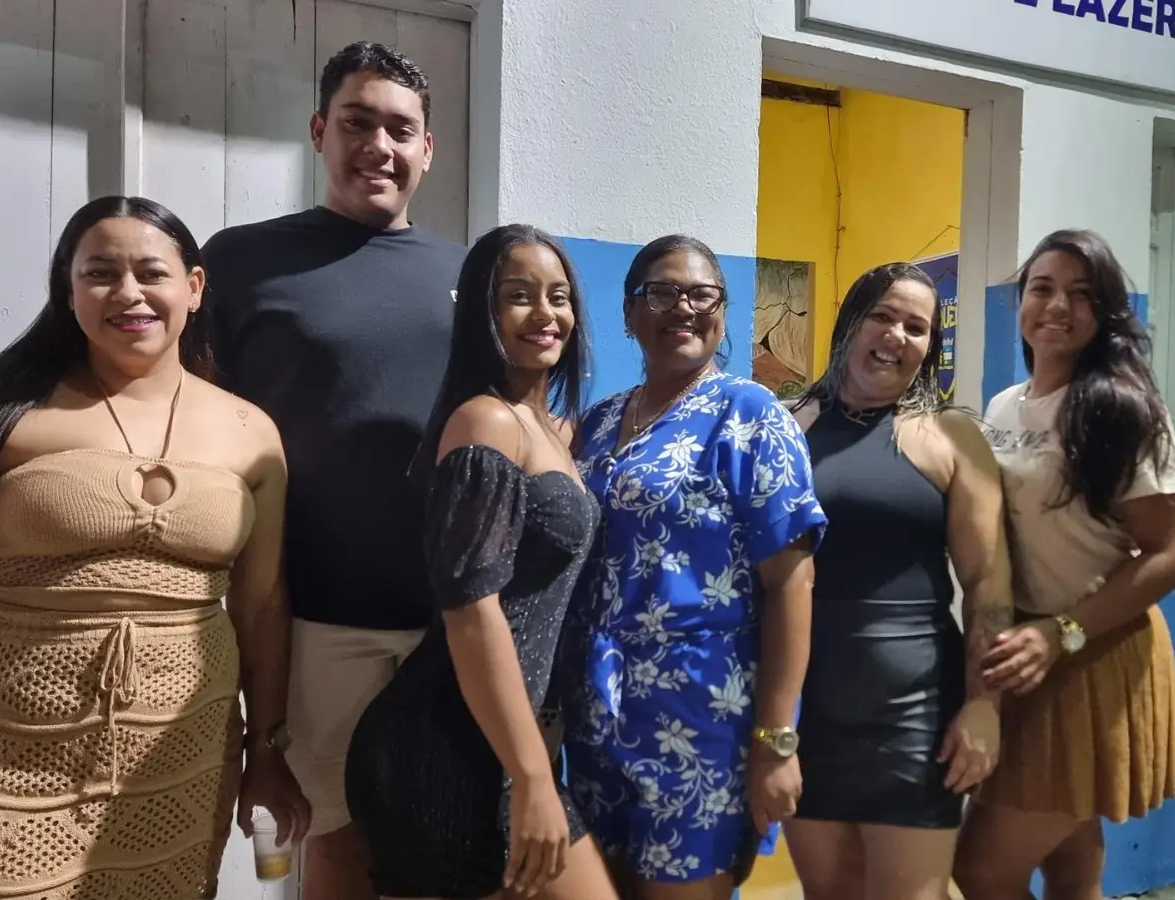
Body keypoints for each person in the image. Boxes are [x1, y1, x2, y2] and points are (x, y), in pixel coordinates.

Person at [0, 196, 310, 899]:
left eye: (151, 272)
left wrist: (266, 748)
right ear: (69, 288)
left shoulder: (250, 432)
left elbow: (262, 606)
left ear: (194, 287)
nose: (128, 293)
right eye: (101, 273)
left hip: (179, 754)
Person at [201, 40, 466, 899]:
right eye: (357, 122)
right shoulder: (239, 262)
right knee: (338, 844)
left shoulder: (469, 275)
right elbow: (195, 417)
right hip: (314, 621)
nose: (378, 146)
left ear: (428, 148)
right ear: (320, 131)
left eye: (400, 129)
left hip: (453, 621)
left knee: (448, 845)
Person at [344, 224, 619, 900]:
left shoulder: (551, 430)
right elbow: (471, 610)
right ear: (481, 313)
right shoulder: (486, 422)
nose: (545, 313)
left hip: (507, 747)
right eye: (518, 296)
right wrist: (531, 778)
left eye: (558, 296)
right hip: (452, 752)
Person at [563, 235, 828, 900]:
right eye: (661, 292)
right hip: (597, 718)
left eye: (701, 294)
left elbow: (792, 582)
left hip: (701, 719)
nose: (683, 307)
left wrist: (776, 739)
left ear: (722, 311)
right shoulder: (598, 422)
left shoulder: (752, 416)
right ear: (630, 313)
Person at [953, 229, 1175, 900]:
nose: (1057, 306)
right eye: (1042, 288)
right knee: (1070, 857)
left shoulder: (1123, 410)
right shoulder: (1003, 405)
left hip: (1094, 652)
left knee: (980, 870)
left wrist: (1061, 634)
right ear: (1021, 303)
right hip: (1026, 657)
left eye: (1081, 294)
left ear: (1105, 312)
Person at [781, 263, 1011, 900]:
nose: (896, 336)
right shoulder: (787, 427)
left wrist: (986, 705)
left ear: (929, 348)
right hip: (807, 712)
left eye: (916, 327)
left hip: (916, 714)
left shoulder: (951, 437)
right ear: (849, 323)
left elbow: (989, 583)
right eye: (882, 316)